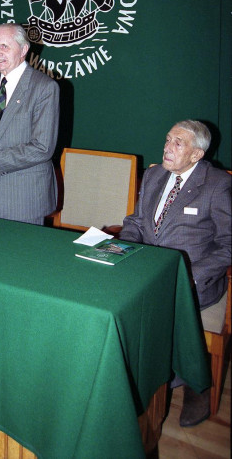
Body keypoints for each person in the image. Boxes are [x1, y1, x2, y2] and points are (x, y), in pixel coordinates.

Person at [120, 119, 231, 427]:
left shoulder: (217, 184)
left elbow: (228, 245)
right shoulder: (154, 174)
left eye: (177, 144)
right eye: (168, 140)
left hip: (195, 283)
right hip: (150, 274)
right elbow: (136, 222)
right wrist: (124, 251)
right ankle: (151, 376)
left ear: (196, 155)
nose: (167, 148)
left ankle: (196, 379)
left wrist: (189, 276)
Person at [0, 23, 59, 225]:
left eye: (4, 46)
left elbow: (42, 148)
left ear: (24, 50)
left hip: (24, 198)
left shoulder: (44, 87)